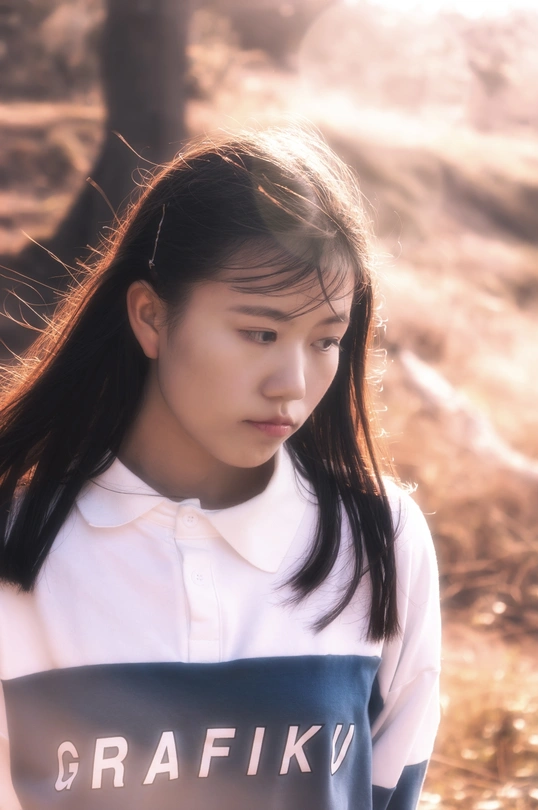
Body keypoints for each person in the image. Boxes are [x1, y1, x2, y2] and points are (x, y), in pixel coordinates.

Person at [0, 126, 440, 810]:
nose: (292, 384)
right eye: (260, 333)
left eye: (326, 340)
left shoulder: (380, 540)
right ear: (151, 317)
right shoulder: (18, 541)